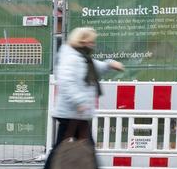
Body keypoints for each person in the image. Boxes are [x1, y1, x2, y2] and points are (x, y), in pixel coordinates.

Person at [48, 27, 123, 166]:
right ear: (81, 41)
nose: (93, 45)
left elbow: (97, 66)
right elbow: (66, 82)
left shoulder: (83, 58)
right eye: (91, 42)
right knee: (83, 148)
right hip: (72, 112)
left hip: (77, 113)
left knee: (63, 147)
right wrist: (80, 101)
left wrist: (110, 64)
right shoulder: (71, 58)